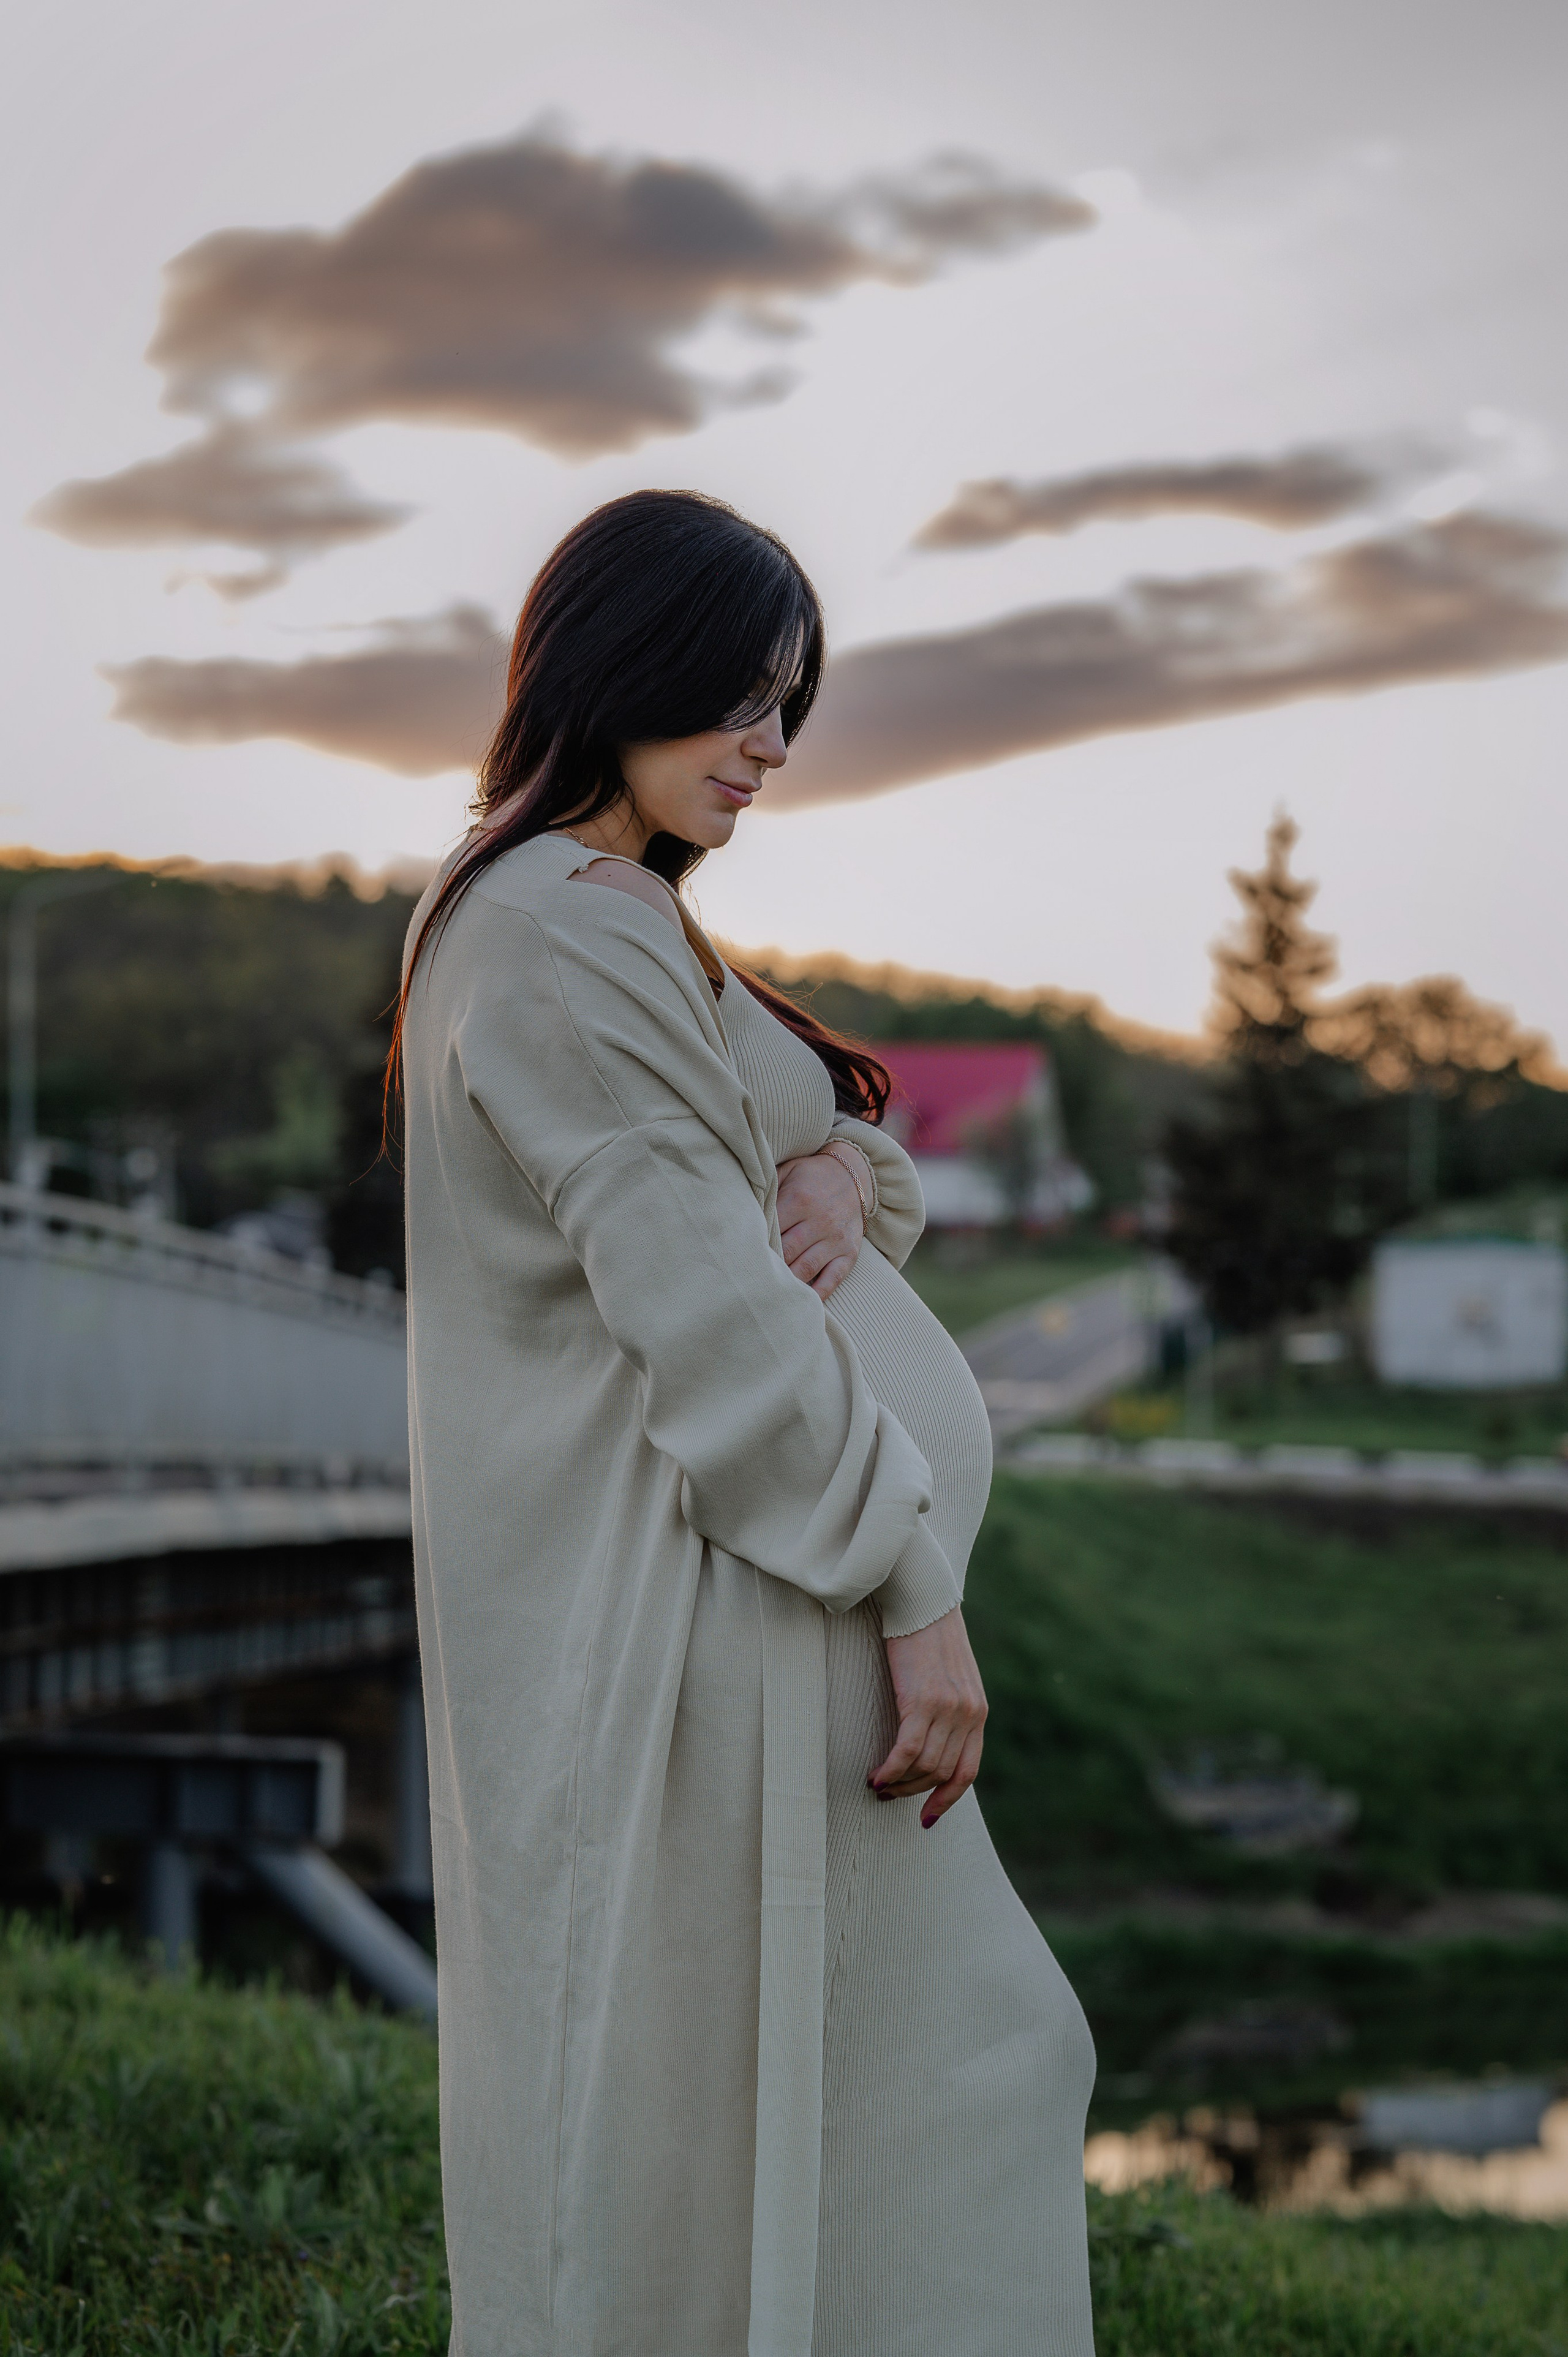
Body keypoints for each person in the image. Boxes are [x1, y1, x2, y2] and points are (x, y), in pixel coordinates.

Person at [394, 489, 1095, 2357]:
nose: (770, 745)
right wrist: (914, 1581)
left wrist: (853, 1182)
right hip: (747, 1605)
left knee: (887, 2087)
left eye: (791, 703)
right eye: (738, 693)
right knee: (942, 2073)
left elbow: (815, 1166)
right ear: (621, 666)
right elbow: (709, 1330)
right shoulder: (563, 929)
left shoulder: (600, 915)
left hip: (770, 1593)